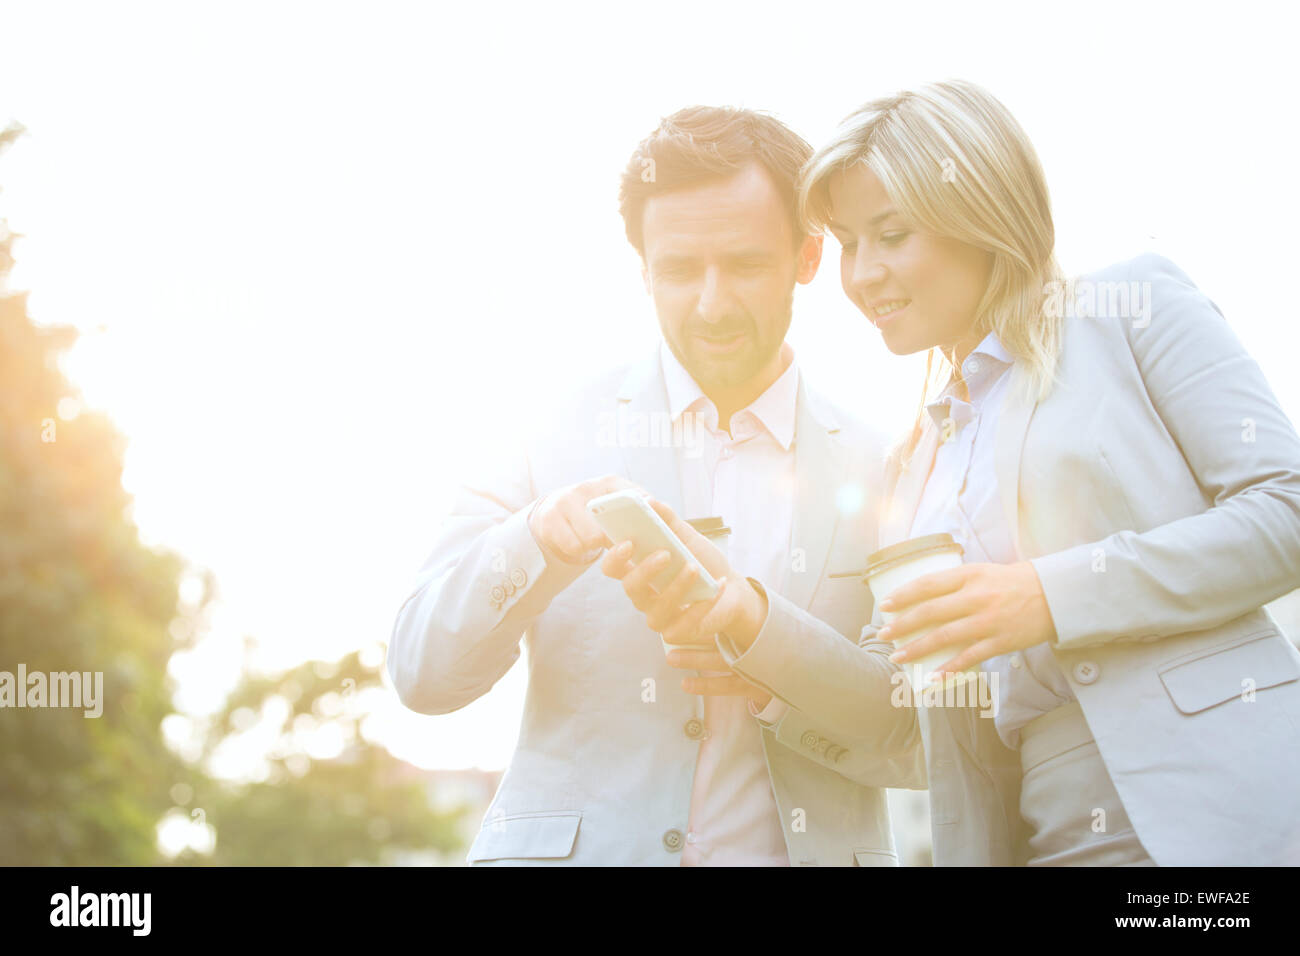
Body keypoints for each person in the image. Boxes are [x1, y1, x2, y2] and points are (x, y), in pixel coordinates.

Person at [387, 105, 923, 866]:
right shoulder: (545, 428)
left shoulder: (891, 463)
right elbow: (420, 674)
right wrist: (536, 542)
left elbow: (918, 738)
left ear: (808, 256)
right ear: (642, 270)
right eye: (678, 270)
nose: (712, 304)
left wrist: (768, 661)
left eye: (744, 265)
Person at [788, 78, 1300, 865]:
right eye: (848, 244)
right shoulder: (911, 464)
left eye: (890, 235)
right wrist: (746, 638)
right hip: (1037, 834)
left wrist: (1049, 596)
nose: (861, 275)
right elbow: (901, 711)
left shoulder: (1128, 308)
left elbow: (1286, 508)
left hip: (1216, 812)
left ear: (980, 212)